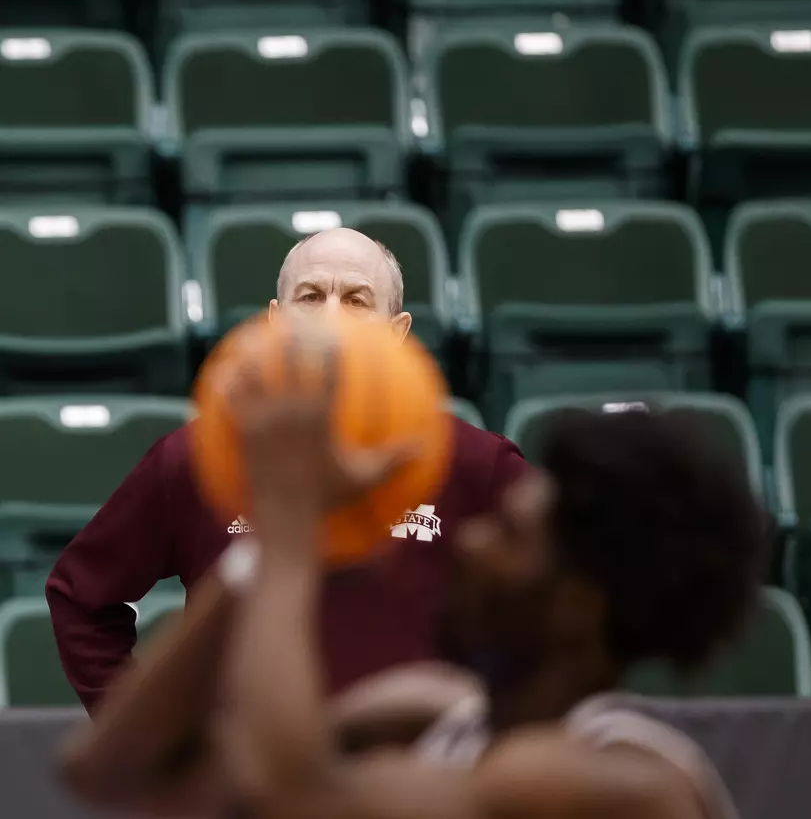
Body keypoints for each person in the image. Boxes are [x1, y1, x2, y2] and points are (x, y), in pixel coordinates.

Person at [60, 330, 768, 819]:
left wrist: (288, 529)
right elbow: (109, 768)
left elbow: (296, 799)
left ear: (579, 608)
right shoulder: (432, 714)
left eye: (508, 535)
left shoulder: (617, 783)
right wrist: (269, 550)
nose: (468, 542)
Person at [47, 227, 530, 712]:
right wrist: (151, 734)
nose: (331, 317)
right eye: (311, 296)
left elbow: (565, 592)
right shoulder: (198, 458)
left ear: (397, 331)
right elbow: (80, 598)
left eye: (357, 300)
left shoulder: (475, 462)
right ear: (276, 322)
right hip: (247, 772)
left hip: (411, 771)